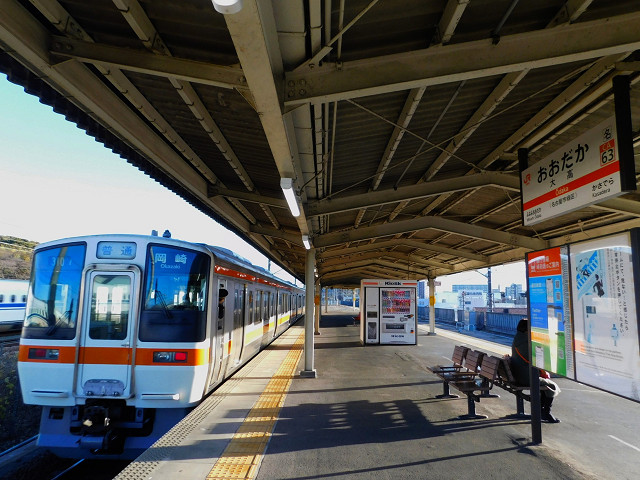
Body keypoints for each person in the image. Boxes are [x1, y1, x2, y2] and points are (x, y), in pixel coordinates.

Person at [510, 318, 561, 423]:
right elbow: (538, 359)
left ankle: (540, 412)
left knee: (544, 385)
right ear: (527, 329)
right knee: (551, 386)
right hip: (525, 377)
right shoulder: (525, 342)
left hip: (518, 374)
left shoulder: (518, 338)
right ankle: (545, 413)